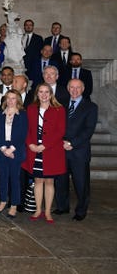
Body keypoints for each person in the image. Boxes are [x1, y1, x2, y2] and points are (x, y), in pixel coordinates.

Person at [54, 79, 98, 221]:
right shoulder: (61, 105)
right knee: (61, 181)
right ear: (68, 89)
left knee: (81, 183)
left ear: (83, 89)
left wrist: (72, 143)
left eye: (78, 87)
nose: (74, 90)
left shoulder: (91, 107)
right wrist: (60, 142)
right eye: (72, 87)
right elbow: (56, 127)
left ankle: (81, 211)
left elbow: (88, 130)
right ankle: (62, 207)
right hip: (61, 149)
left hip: (79, 151)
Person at [21, 83, 66, 224]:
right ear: (37, 94)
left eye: (47, 92)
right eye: (41, 92)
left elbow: (61, 131)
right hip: (34, 151)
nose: (44, 94)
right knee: (38, 180)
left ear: (51, 94)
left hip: (51, 151)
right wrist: (30, 144)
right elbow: (26, 129)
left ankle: (47, 212)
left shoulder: (59, 109)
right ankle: (38, 210)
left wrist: (45, 146)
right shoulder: (31, 108)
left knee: (49, 182)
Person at [0, 89, 27, 219]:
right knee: (3, 177)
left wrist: (11, 149)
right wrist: (3, 149)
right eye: (8, 98)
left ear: (18, 100)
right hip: (1, 149)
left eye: (13, 98)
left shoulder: (22, 114)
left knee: (14, 178)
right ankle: (3, 201)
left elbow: (22, 134)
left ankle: (14, 205)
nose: (11, 101)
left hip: (15, 151)